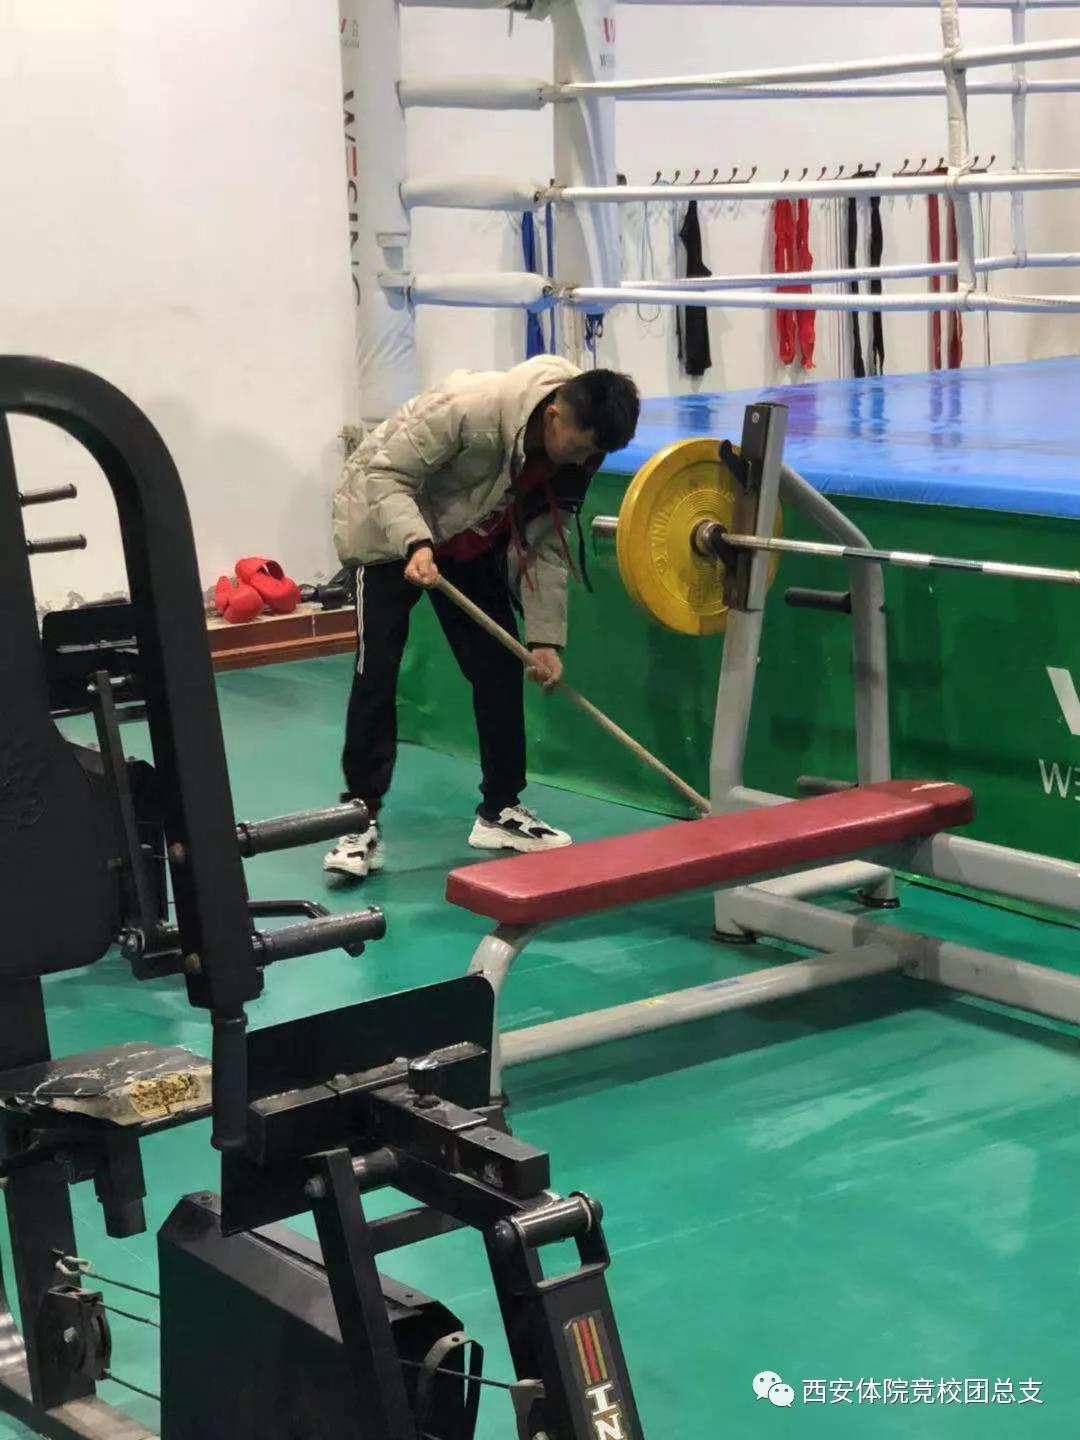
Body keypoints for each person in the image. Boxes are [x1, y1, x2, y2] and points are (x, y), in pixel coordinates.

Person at [324, 356, 641, 880]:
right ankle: (358, 818)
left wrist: (544, 640)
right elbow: (384, 474)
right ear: (555, 414)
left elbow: (547, 543)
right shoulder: (470, 410)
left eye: (593, 453)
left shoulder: (581, 454)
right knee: (376, 670)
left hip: (465, 537)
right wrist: (415, 541)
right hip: (385, 530)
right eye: (581, 446)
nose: (583, 459)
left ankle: (500, 809)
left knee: (498, 666)